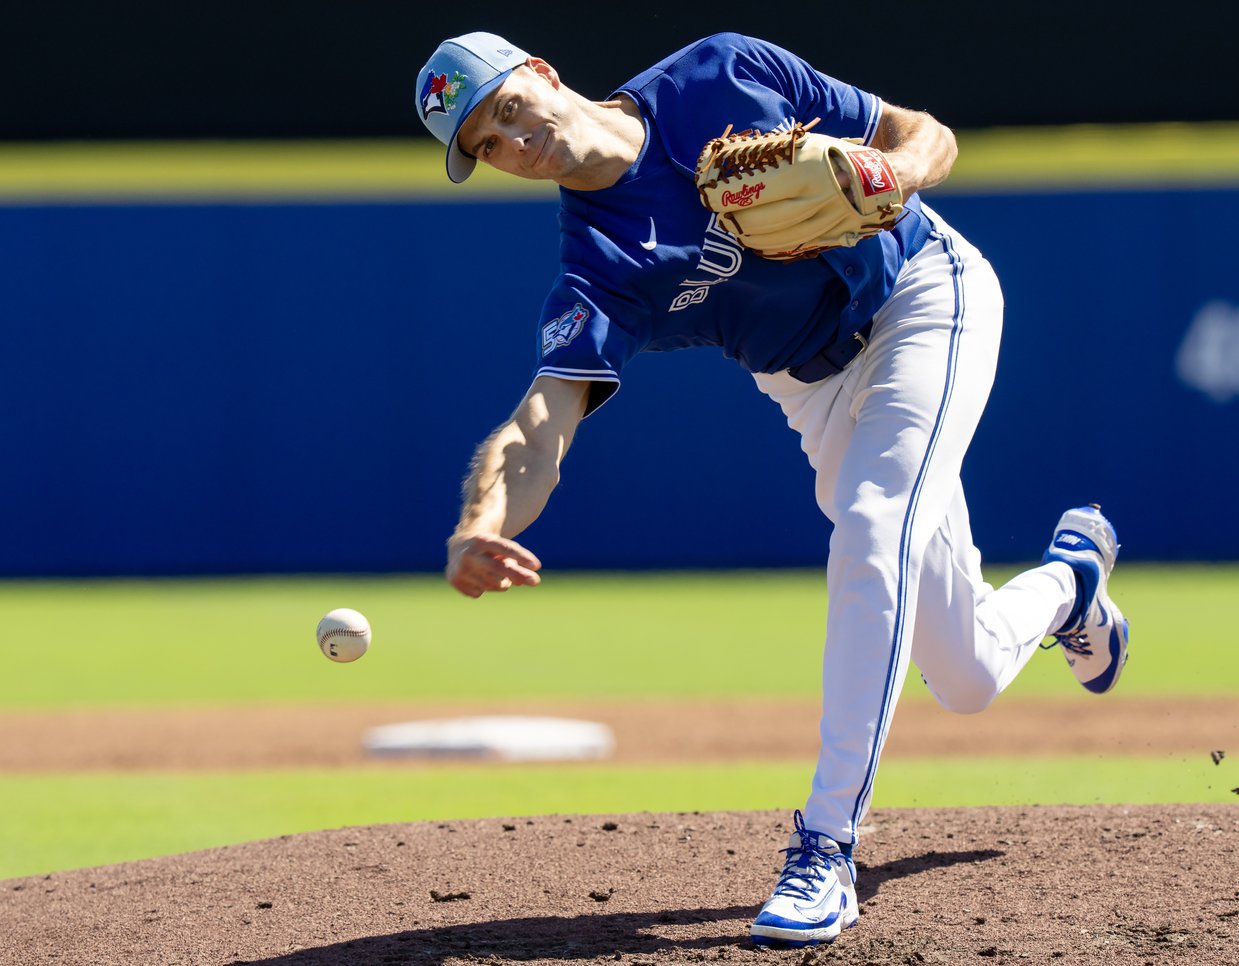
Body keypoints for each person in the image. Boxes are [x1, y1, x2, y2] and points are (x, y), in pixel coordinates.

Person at [414, 31, 1129, 947]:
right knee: (968, 673)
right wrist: (479, 523)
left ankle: (825, 846)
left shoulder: (719, 72)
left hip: (923, 296)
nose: (516, 141)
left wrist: (895, 174)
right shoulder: (597, 266)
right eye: (488, 143)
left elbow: (925, 132)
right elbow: (540, 425)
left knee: (874, 529)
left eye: (510, 109)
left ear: (543, 74)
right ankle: (1073, 583)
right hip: (812, 386)